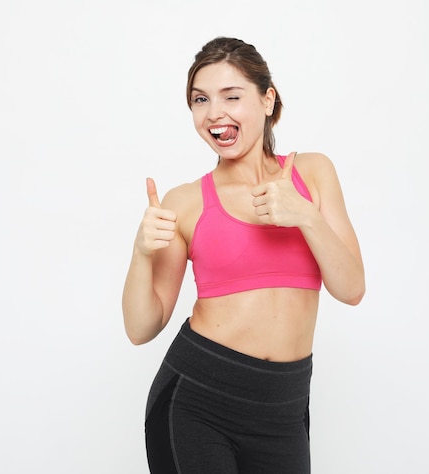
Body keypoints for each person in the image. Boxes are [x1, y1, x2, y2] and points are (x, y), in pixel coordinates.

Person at [122, 36, 365, 474]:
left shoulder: (313, 172)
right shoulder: (186, 202)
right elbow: (141, 328)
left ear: (267, 100)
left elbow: (351, 289)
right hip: (197, 402)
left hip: (284, 410)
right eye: (201, 99)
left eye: (232, 96)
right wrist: (141, 254)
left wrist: (306, 217)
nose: (214, 113)